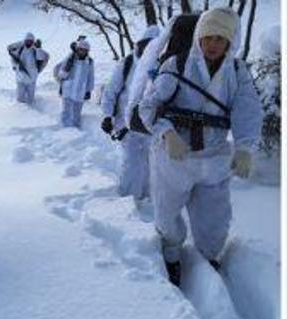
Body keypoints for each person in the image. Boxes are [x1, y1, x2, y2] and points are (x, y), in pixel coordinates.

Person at [140, 7, 263, 285]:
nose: (212, 44)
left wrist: (245, 148)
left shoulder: (237, 70)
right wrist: (166, 133)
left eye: (220, 39)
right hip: (174, 156)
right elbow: (149, 106)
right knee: (167, 211)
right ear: (198, 36)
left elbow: (248, 109)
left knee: (214, 217)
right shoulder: (177, 65)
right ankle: (171, 255)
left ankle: (208, 259)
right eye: (207, 37)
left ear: (231, 41)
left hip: (215, 158)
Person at [101, 26, 161, 199]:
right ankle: (129, 199)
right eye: (146, 44)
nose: (148, 48)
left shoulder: (163, 65)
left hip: (151, 124)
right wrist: (107, 115)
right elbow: (111, 90)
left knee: (151, 162)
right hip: (126, 123)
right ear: (140, 45)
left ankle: (148, 196)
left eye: (153, 45)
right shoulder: (127, 64)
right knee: (132, 161)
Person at [55, 37, 95, 128]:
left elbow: (91, 76)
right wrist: (65, 71)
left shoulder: (89, 62)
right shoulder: (70, 59)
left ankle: (75, 129)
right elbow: (60, 73)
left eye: (85, 50)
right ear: (77, 49)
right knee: (66, 111)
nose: (82, 52)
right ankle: (64, 129)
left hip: (80, 90)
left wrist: (89, 90)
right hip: (68, 89)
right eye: (81, 50)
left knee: (77, 112)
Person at [7, 33, 47, 104]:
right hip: (20, 79)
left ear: (33, 42)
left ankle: (32, 112)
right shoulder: (20, 49)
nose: (28, 42)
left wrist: (39, 48)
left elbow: (41, 58)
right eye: (27, 40)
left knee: (30, 100)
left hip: (32, 80)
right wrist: (15, 66)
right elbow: (11, 52)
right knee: (20, 100)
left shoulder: (35, 51)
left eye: (30, 41)